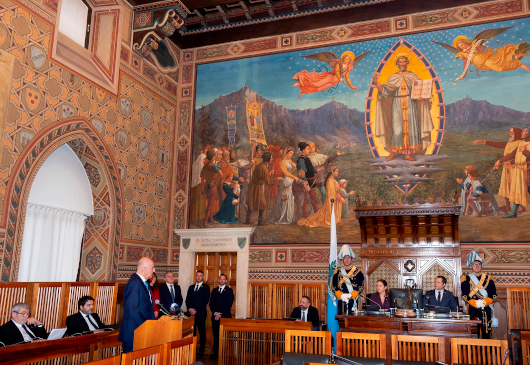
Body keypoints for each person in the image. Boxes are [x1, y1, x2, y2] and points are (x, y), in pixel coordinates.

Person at [374, 54, 434, 162]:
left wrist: (421, 97)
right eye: (400, 62)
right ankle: (393, 152)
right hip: (397, 104)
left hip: (411, 104)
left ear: (407, 63)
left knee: (411, 129)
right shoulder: (393, 77)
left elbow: (420, 89)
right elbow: (386, 92)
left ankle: (408, 154)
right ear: (397, 64)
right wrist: (378, 84)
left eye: (404, 62)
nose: (402, 64)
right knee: (397, 130)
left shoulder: (412, 76)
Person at [474, 127, 523, 215]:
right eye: (509, 132)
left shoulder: (520, 143)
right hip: (507, 168)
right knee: (506, 187)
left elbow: (513, 155)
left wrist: (501, 160)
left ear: (517, 133)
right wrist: (485, 142)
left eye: (511, 132)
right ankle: (508, 206)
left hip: (515, 168)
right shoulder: (509, 143)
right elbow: (498, 144)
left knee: (516, 188)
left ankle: (521, 207)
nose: (509, 134)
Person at [119, 257, 156, 353]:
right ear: (144, 268)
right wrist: (145, 327)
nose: (154, 270)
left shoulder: (142, 283)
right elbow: (133, 310)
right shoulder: (134, 283)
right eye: (152, 268)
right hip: (134, 332)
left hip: (140, 331)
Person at [495, 126, 530, 218]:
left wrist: (524, 151)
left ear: (528, 133)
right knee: (517, 190)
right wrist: (500, 160)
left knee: (529, 190)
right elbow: (512, 155)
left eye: (524, 131)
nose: (522, 133)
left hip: (527, 171)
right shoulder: (521, 143)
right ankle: (513, 213)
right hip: (519, 170)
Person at [461, 251, 497, 339]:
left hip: (486, 308)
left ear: (481, 266)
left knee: (486, 333)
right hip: (473, 308)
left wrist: (485, 301)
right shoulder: (466, 278)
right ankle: (474, 351)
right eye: (474, 264)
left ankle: (486, 351)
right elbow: (464, 295)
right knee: (474, 333)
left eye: (479, 264)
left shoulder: (488, 278)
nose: (477, 266)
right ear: (471, 266)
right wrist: (474, 303)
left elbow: (494, 294)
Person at [245, 152, 282, 226]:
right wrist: (277, 178)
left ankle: (248, 219)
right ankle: (260, 221)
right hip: (256, 187)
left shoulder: (262, 165)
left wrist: (269, 174)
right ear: (268, 159)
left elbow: (263, 176)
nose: (272, 159)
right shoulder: (264, 167)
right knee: (262, 204)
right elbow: (269, 181)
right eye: (271, 158)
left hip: (254, 186)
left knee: (252, 202)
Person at [268, 147, 299, 224]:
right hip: (284, 181)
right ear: (286, 152)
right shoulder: (282, 162)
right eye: (290, 153)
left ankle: (288, 217)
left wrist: (294, 167)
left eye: (292, 153)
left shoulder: (290, 161)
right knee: (283, 199)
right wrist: (294, 177)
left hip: (290, 181)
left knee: (290, 199)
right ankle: (282, 217)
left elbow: (290, 171)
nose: (291, 155)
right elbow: (285, 172)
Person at [331, 244, 364, 314]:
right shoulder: (337, 272)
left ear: (352, 260)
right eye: (345, 258)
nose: (346, 260)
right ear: (342, 260)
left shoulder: (358, 272)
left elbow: (361, 286)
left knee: (352, 320)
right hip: (341, 300)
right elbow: (333, 286)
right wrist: (339, 294)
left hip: (353, 300)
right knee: (341, 320)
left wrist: (353, 294)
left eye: (348, 258)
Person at [209, 274, 234, 360]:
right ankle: (216, 353)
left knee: (224, 336)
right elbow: (211, 303)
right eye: (221, 279)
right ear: (218, 280)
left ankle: (224, 354)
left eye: (224, 279)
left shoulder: (229, 291)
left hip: (225, 317)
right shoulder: (214, 290)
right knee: (216, 336)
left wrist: (220, 314)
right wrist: (215, 313)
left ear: (226, 281)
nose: (222, 281)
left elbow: (229, 304)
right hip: (215, 317)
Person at [186, 270, 210, 358]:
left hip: (200, 313)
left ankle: (201, 352)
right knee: (192, 333)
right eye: (197, 275)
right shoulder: (191, 287)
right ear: (195, 276)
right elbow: (187, 299)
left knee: (202, 333)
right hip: (191, 315)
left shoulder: (206, 287)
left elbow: (205, 301)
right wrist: (189, 309)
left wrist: (195, 309)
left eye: (200, 276)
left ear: (203, 277)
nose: (199, 277)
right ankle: (193, 350)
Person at [297, 142, 323, 216]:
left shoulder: (306, 158)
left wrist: (315, 171)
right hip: (306, 181)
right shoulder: (301, 160)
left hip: (311, 180)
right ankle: (304, 214)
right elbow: (302, 173)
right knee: (304, 198)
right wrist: (306, 184)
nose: (309, 150)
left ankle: (316, 213)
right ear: (303, 150)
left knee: (313, 198)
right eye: (307, 149)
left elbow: (309, 170)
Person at [201, 150, 223, 228]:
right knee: (210, 205)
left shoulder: (204, 166)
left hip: (206, 186)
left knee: (209, 203)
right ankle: (206, 222)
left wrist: (202, 189)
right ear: (213, 157)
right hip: (213, 187)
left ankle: (211, 219)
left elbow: (202, 179)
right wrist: (215, 181)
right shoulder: (214, 166)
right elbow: (221, 175)